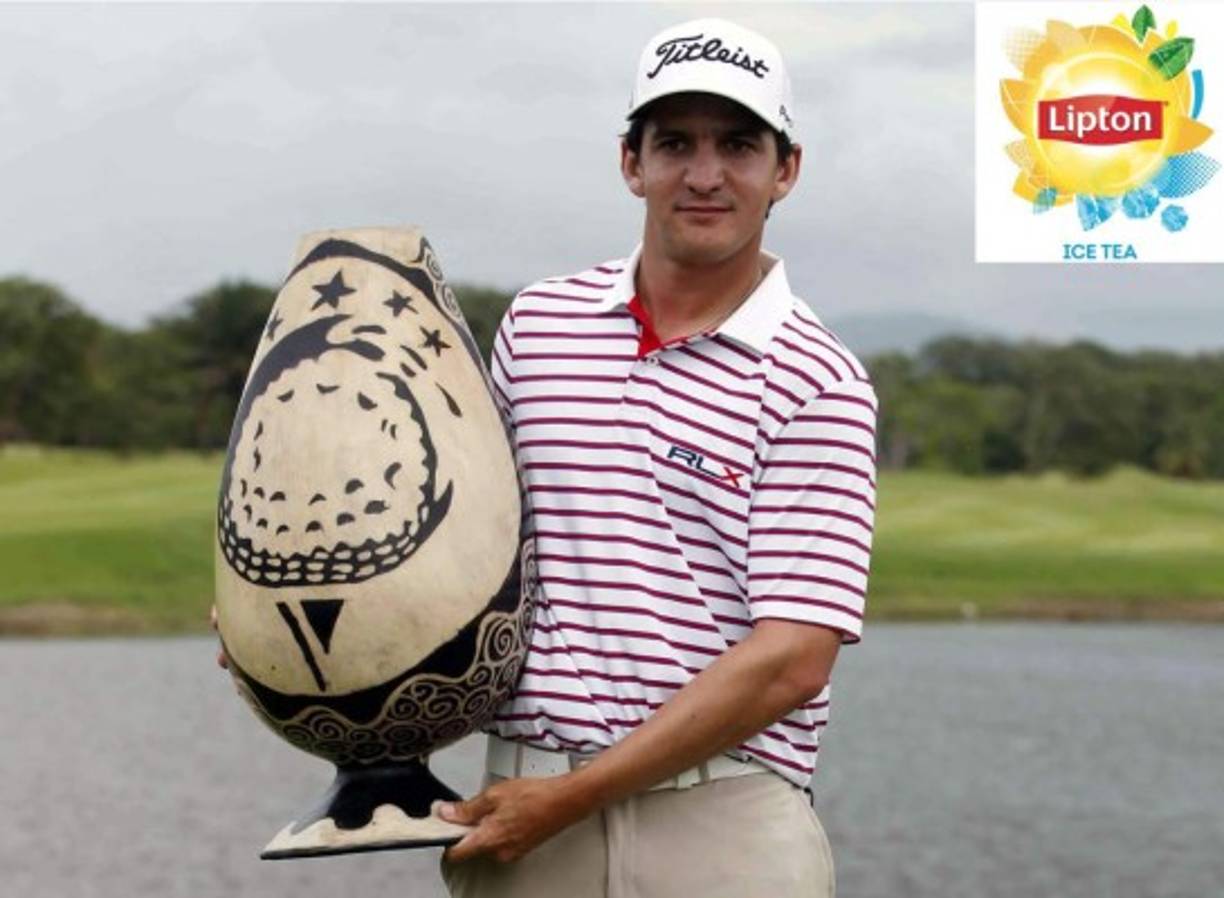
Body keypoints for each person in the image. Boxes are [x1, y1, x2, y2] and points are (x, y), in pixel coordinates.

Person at [435, 17, 879, 898]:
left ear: (784, 169)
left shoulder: (818, 378)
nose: (705, 175)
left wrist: (571, 798)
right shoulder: (539, 324)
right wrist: (308, 623)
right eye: (674, 143)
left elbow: (794, 656)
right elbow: (458, 541)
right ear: (631, 162)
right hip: (524, 807)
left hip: (720, 829)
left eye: (738, 145)